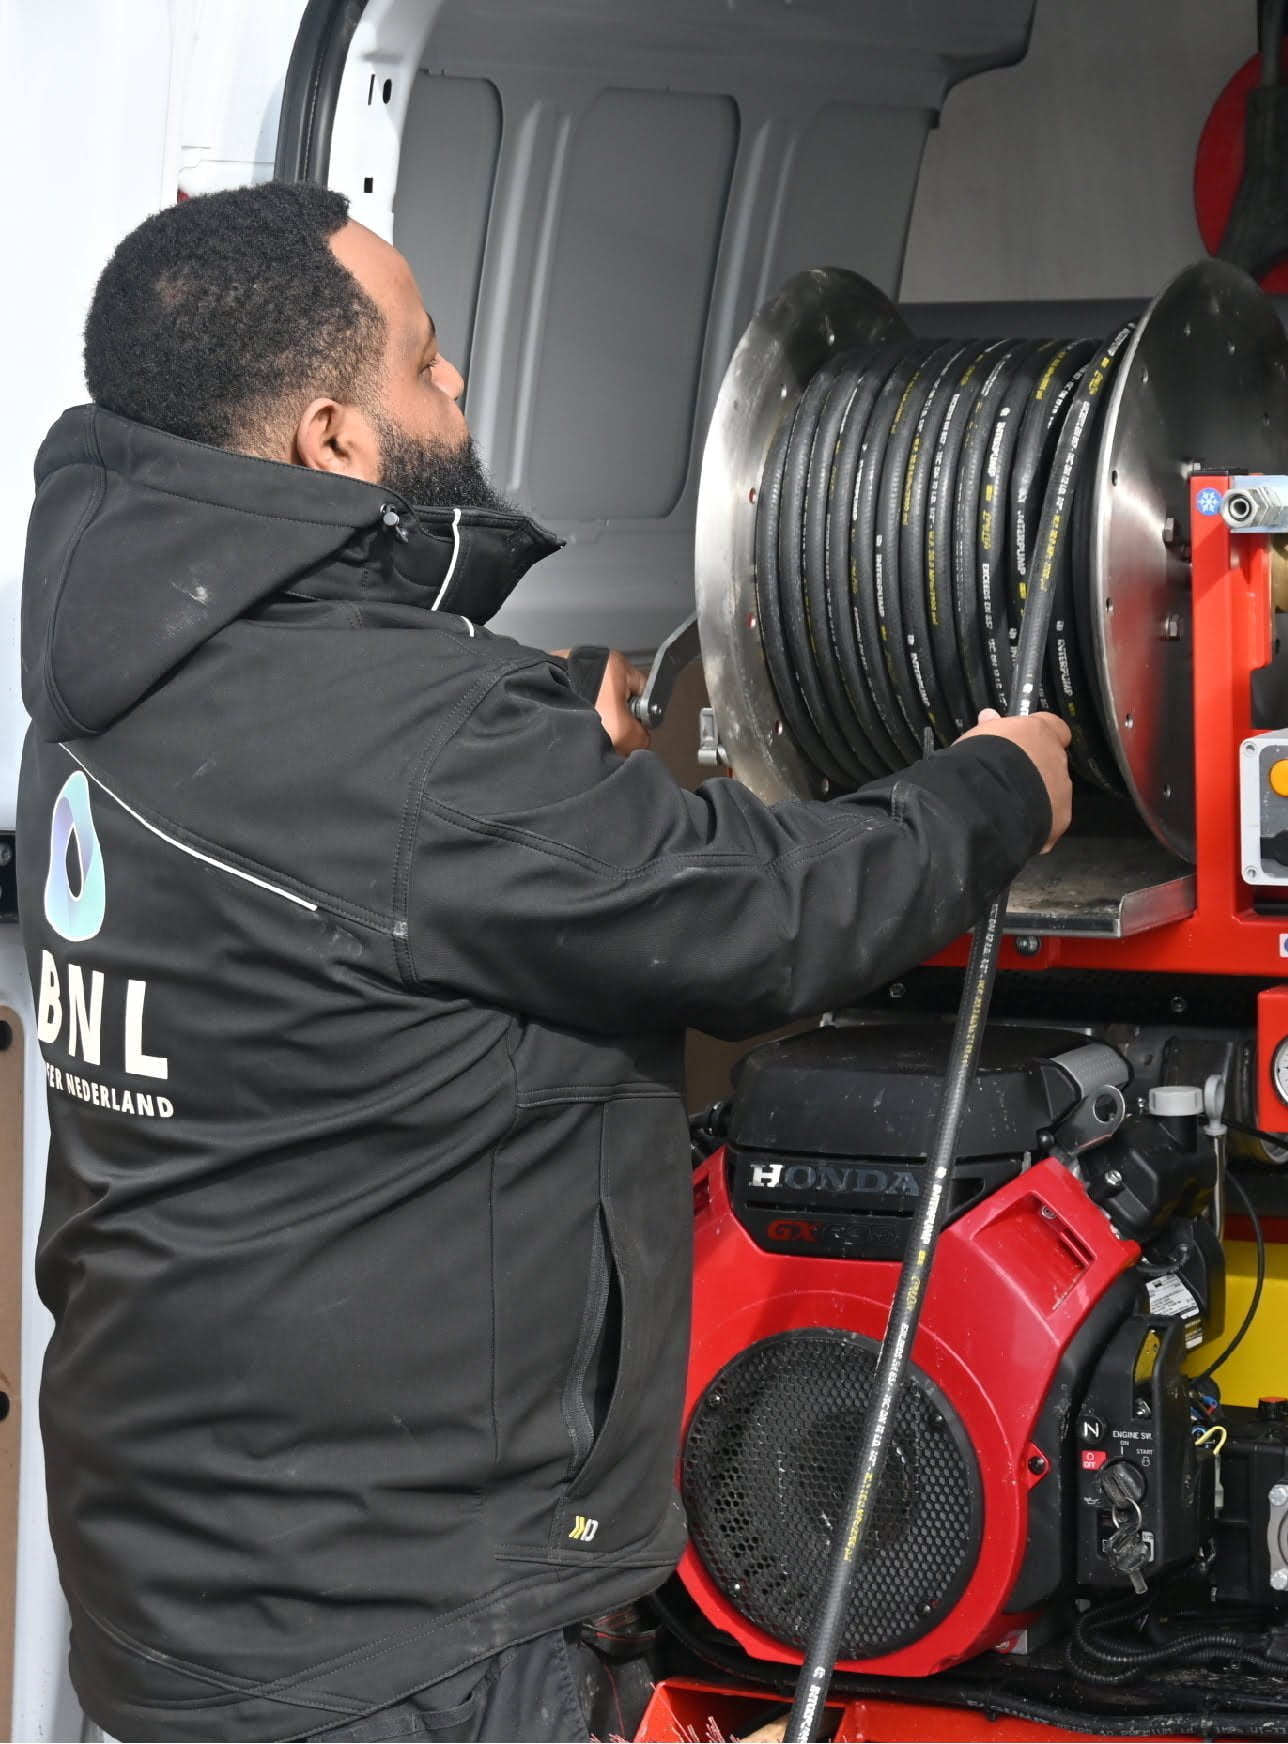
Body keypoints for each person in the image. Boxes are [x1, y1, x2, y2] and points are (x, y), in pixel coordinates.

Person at [17, 180, 1072, 1744]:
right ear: (329, 438)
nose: (457, 388)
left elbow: (352, 883)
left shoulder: (112, 686)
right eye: (426, 363)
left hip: (188, 1603)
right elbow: (764, 920)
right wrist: (1000, 785)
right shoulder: (417, 745)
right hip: (408, 1640)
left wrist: (542, 761)